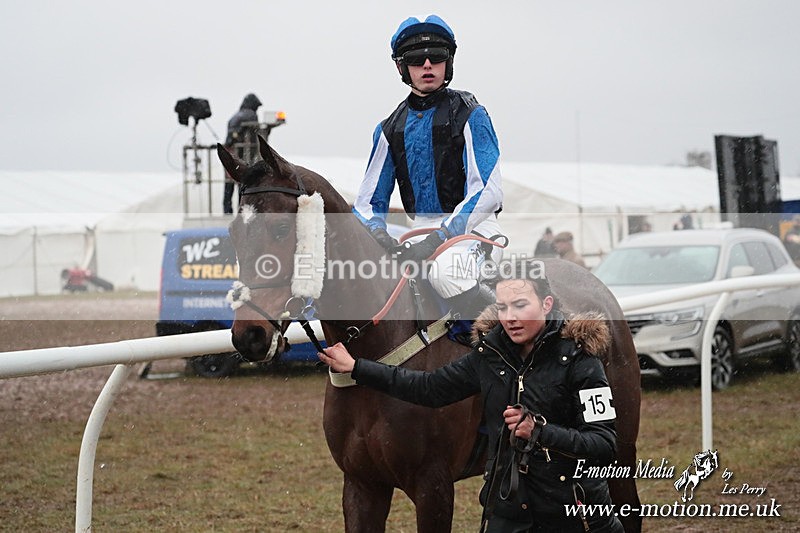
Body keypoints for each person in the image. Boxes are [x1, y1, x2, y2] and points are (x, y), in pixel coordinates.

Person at [318, 270, 624, 532]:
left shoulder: (582, 361)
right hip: (508, 512)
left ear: (547, 304)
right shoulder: (489, 356)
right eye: (503, 307)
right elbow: (428, 388)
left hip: (573, 513)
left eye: (521, 305)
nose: (511, 318)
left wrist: (540, 433)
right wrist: (358, 368)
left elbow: (604, 445)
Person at [352, 15, 504, 319]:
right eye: (415, 60)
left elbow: (488, 191)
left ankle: (502, 351)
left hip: (473, 231)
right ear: (401, 67)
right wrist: (378, 234)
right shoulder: (388, 128)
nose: (426, 65)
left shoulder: (472, 115)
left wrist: (441, 237)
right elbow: (368, 202)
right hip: (417, 233)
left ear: (448, 63)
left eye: (436, 57)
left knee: (446, 274)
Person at [223, 93, 262, 214]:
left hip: (230, 153)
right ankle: (242, 211)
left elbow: (231, 135)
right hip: (242, 155)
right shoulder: (251, 115)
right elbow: (254, 133)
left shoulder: (235, 116)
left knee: (229, 184)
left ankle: (227, 211)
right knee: (243, 184)